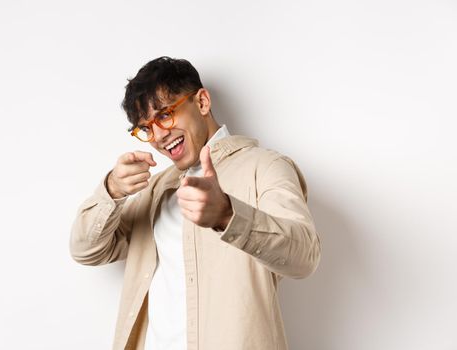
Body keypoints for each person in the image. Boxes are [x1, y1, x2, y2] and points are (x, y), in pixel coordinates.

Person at [69, 56, 321, 350]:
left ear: (201, 102)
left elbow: (305, 257)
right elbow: (85, 251)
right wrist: (111, 190)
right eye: (146, 128)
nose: (159, 136)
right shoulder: (156, 190)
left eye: (164, 115)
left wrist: (228, 216)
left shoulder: (265, 167)